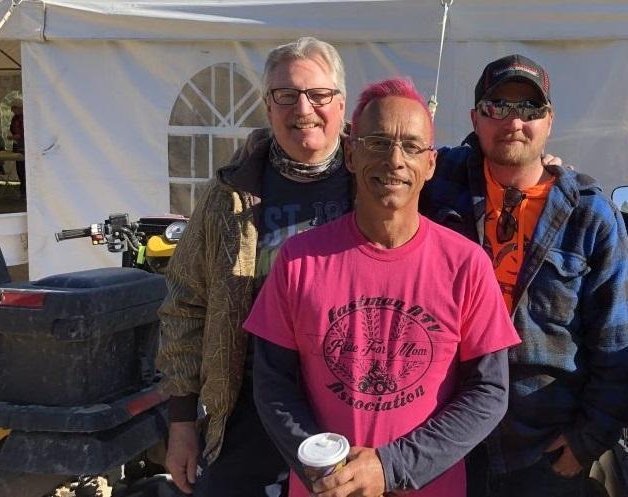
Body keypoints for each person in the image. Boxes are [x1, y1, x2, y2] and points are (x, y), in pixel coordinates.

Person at [245, 77, 520, 497]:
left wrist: (391, 468)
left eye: (411, 147)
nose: (394, 160)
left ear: (430, 164)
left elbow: (489, 393)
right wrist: (324, 467)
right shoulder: (299, 260)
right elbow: (273, 385)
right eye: (377, 143)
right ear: (351, 154)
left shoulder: (466, 264)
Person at [421, 54, 628, 497]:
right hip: (446, 437)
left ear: (549, 121)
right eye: (497, 106)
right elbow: (374, 148)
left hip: (543, 447)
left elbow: (619, 342)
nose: (514, 121)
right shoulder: (437, 185)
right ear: (475, 118)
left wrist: (588, 441)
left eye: (529, 109)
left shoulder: (590, 215)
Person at [155, 37, 354, 496]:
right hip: (247, 408)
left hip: (347, 409)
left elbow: (443, 164)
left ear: (340, 104)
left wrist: (545, 172)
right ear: (268, 106)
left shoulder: (375, 180)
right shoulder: (230, 195)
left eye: (319, 95)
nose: (303, 108)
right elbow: (186, 305)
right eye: (286, 95)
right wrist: (183, 423)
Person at [9, 102, 26, 197]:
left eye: (15, 108)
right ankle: (22, 191)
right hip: (17, 145)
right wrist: (14, 136)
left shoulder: (26, 117)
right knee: (19, 169)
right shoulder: (14, 118)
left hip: (24, 145)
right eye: (13, 109)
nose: (14, 111)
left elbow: (27, 130)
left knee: (24, 169)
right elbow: (12, 129)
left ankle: (26, 191)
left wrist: (19, 136)